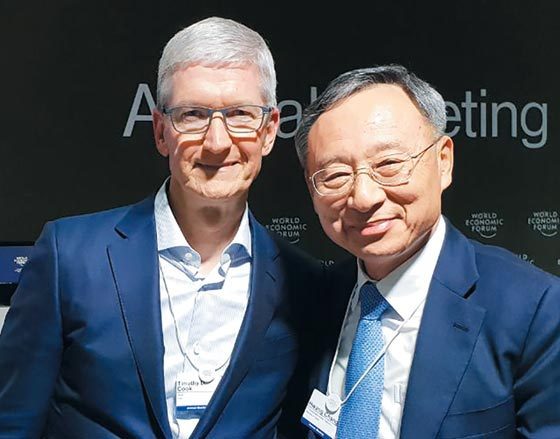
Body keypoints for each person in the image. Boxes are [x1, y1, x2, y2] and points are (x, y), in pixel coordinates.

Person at [0, 17, 322, 439]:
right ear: (160, 131)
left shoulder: (304, 284)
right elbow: (12, 423)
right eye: (193, 115)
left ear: (268, 131)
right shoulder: (69, 256)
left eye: (241, 115)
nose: (217, 142)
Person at [294, 65, 560, 438]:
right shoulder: (312, 302)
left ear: (443, 161)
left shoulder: (535, 309)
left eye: (389, 164)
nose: (364, 197)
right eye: (336, 175)